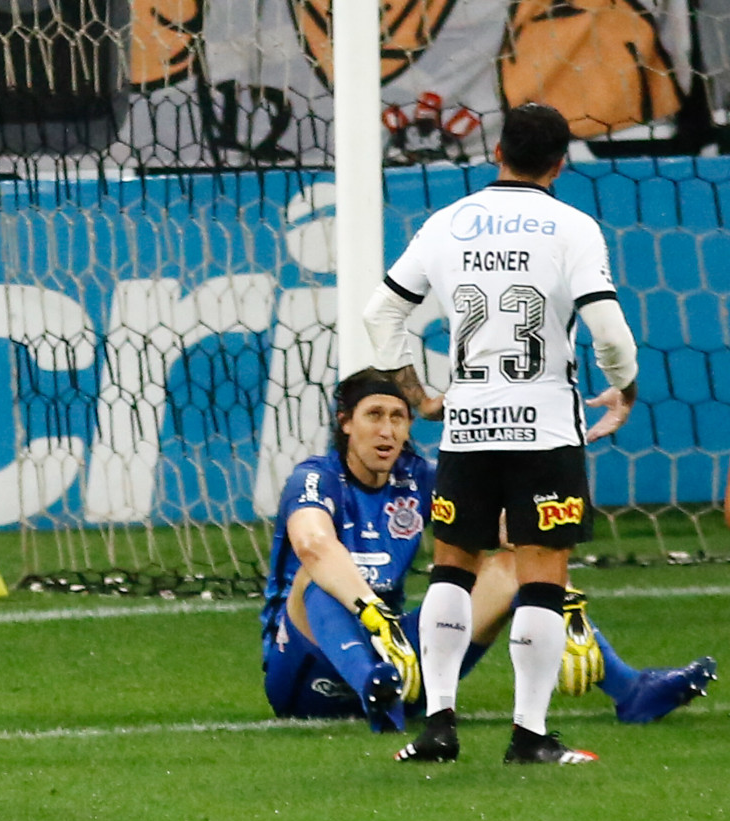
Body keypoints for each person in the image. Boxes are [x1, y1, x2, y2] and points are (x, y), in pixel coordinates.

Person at [362, 102, 640, 764]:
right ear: (561, 163)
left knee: (452, 568)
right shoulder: (572, 227)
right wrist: (624, 390)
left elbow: (382, 313)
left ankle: (437, 725)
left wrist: (418, 394)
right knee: (539, 571)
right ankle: (529, 734)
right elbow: (609, 332)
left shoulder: (446, 223)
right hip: (544, 425)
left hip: (469, 424)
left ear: (497, 151)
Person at [263, 372, 717, 729]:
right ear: (345, 423)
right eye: (373, 415)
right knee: (313, 580)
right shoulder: (316, 477)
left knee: (509, 570)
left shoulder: (417, 476)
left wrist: (568, 606)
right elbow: (313, 543)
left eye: (398, 417)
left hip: (398, 654)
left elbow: (513, 531)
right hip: (306, 674)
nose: (387, 430)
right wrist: (371, 613)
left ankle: (630, 691)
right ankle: (373, 688)